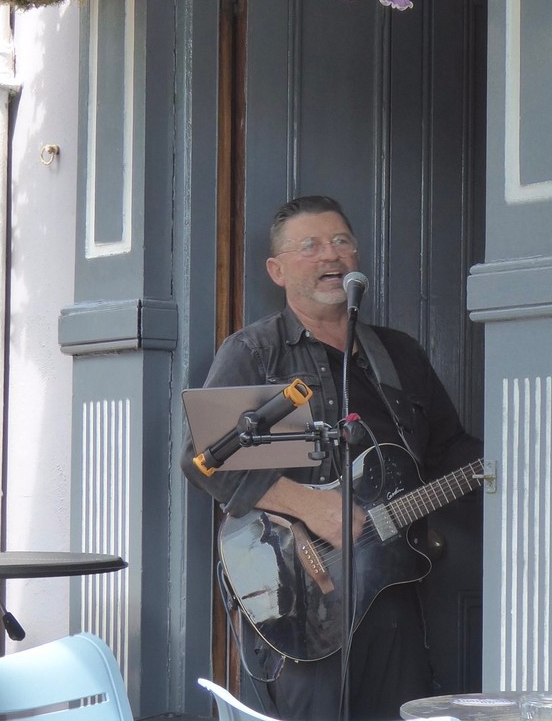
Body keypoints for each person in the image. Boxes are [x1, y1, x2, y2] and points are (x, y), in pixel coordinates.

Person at [180, 194, 482, 721]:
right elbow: (204, 459)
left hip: (392, 585)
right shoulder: (256, 353)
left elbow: (448, 449)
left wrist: (517, 461)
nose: (331, 256)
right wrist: (309, 505)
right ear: (277, 269)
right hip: (302, 592)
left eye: (341, 242)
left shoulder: (398, 354)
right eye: (310, 246)